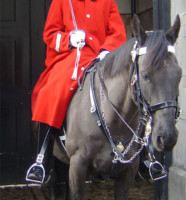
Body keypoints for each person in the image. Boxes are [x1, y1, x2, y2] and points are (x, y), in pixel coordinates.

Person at [26, 0, 127, 183]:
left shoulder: (108, 2)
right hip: (71, 57)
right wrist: (69, 40)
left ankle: (139, 155)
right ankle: (42, 159)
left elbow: (117, 32)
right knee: (50, 91)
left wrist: (106, 50)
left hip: (101, 57)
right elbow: (50, 34)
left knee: (127, 88)